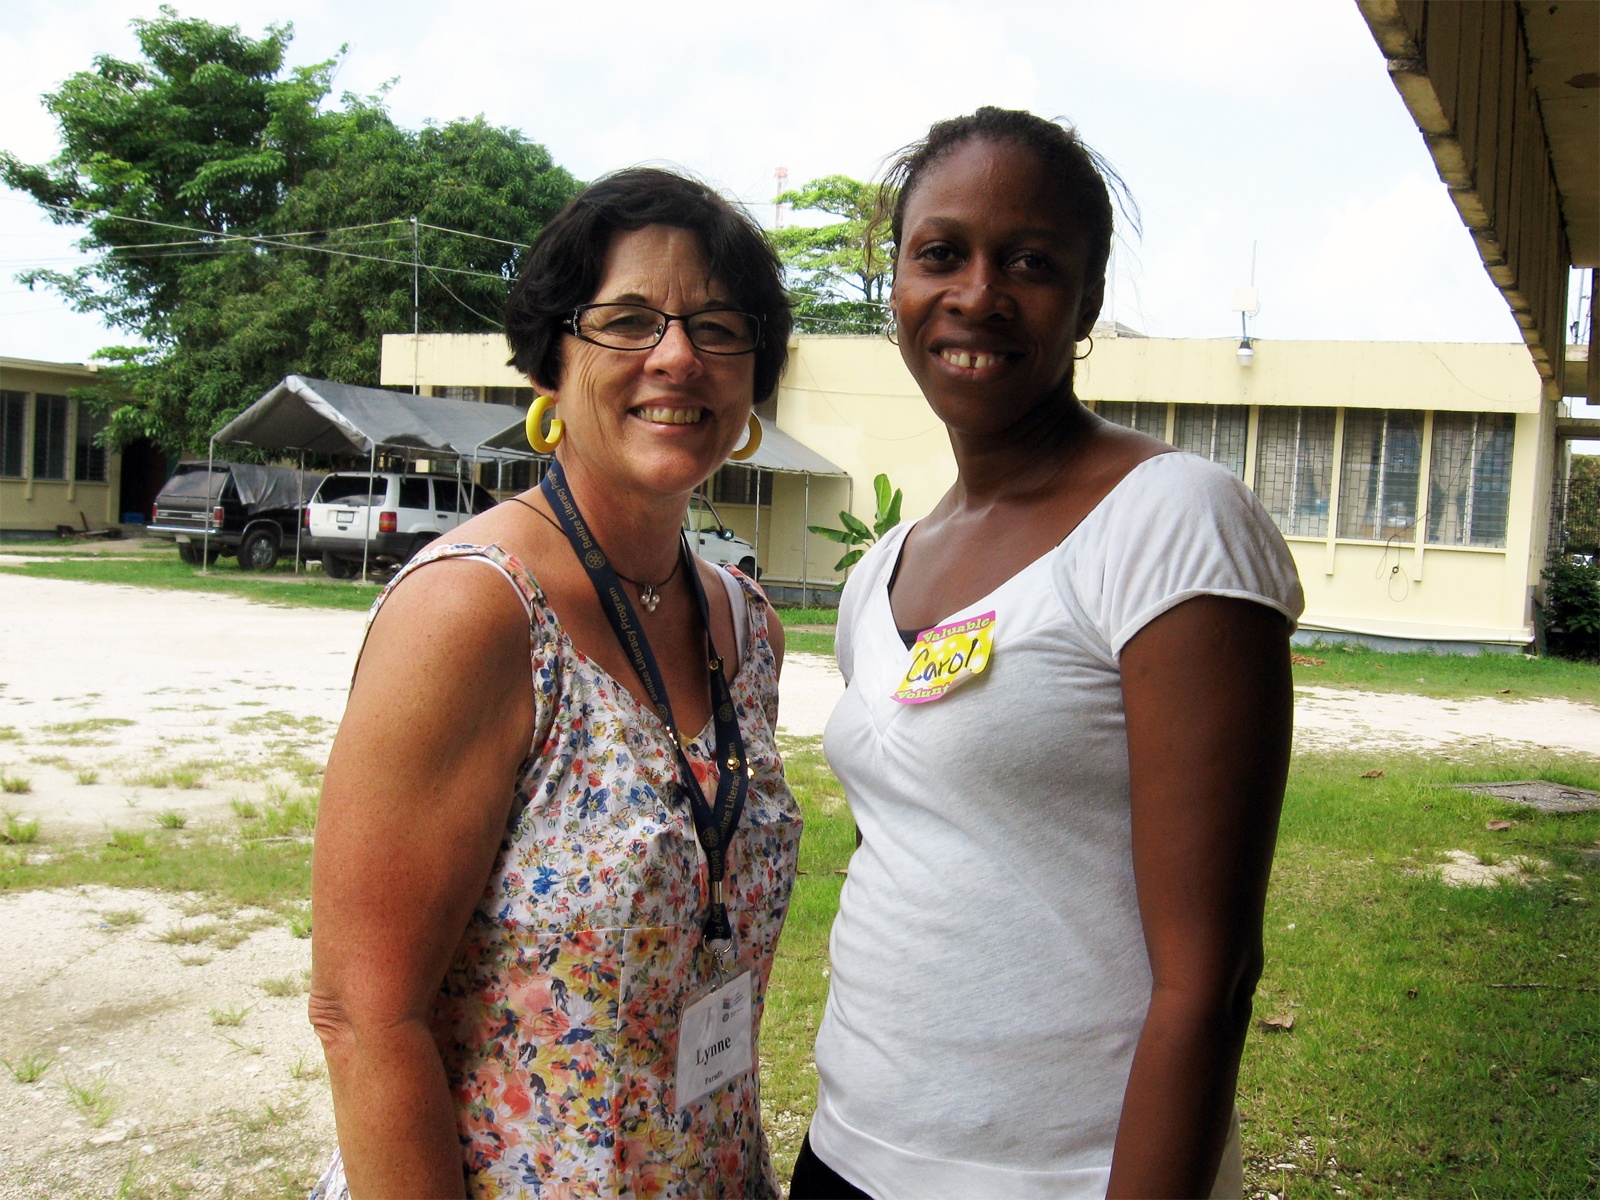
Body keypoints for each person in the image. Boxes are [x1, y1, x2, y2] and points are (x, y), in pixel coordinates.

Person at [790, 108, 1304, 1200]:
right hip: (846, 1152)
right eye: (940, 255)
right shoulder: (881, 568)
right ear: (895, 285)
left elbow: (1208, 980)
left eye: (1028, 262)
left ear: (1087, 302)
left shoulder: (1170, 523)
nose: (976, 294)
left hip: (1052, 1178)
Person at [307, 167, 801, 1199]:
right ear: (551, 362)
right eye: (628, 320)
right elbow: (363, 1017)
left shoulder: (747, 628)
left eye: (717, 327)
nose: (678, 356)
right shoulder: (476, 612)